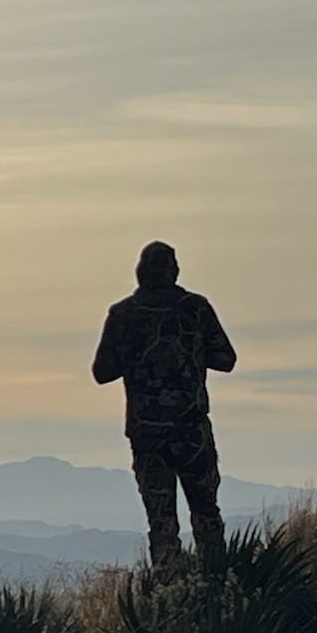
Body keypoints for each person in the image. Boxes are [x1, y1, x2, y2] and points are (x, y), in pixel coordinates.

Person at [92, 241, 237, 569]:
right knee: (206, 512)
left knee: (161, 520)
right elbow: (226, 359)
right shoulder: (195, 309)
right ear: (175, 271)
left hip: (147, 432)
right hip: (191, 431)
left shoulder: (123, 314)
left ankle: (169, 585)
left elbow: (102, 372)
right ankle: (215, 579)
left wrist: (137, 355)